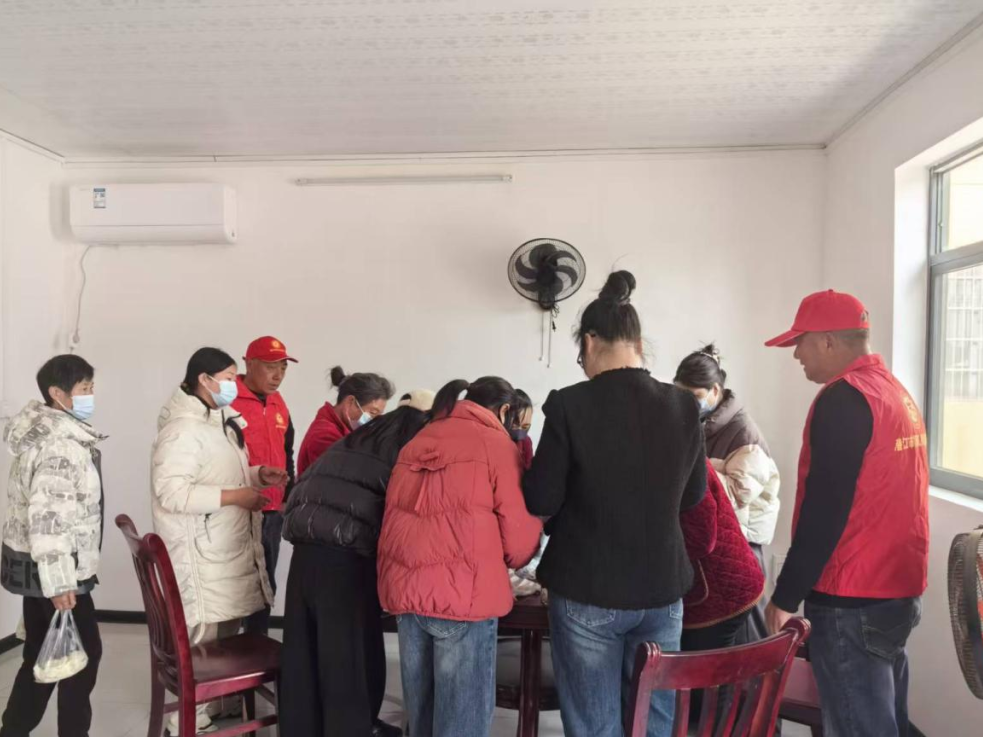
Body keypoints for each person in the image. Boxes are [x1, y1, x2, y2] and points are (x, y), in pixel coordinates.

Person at [523, 271, 707, 737]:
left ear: (589, 342)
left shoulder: (569, 404)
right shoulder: (683, 405)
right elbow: (693, 496)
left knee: (593, 723)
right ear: (638, 343)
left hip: (588, 586)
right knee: (654, 720)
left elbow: (541, 497)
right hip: (663, 589)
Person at [764, 290, 929, 737]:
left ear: (828, 341)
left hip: (852, 597)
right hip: (897, 589)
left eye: (800, 342)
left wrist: (784, 597)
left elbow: (825, 511)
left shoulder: (844, 400)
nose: (796, 355)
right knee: (885, 721)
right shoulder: (894, 393)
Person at [377, 377, 542, 737]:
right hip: (462, 599)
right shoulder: (496, 444)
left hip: (406, 596)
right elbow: (518, 541)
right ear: (504, 410)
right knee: (461, 722)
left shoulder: (419, 438)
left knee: (421, 717)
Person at [151, 347, 287, 735]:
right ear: (204, 380)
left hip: (221, 548)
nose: (233, 385)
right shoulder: (182, 430)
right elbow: (172, 492)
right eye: (228, 378)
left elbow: (216, 472)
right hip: (201, 554)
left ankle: (215, 705)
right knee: (204, 640)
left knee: (225, 634)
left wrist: (257, 475)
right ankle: (186, 720)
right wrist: (236, 497)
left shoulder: (216, 420)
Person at [281, 392, 434, 737]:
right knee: (349, 656)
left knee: (303, 652)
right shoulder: (412, 447)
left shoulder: (363, 435)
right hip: (346, 558)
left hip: (304, 551)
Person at [0, 355, 105, 737]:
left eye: (91, 387)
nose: (91, 395)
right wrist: (60, 583)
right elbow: (49, 519)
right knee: (82, 657)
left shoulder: (49, 434)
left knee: (40, 654)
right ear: (57, 393)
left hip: (39, 567)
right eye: (84, 388)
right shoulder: (59, 445)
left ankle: (13, 729)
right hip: (57, 570)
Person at [674, 344, 780, 643]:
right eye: (680, 395)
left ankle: (757, 675)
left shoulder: (743, 431)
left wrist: (698, 468)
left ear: (715, 390)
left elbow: (737, 494)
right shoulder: (701, 424)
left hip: (742, 543)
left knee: (745, 631)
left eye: (694, 396)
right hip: (715, 542)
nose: (686, 403)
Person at [678, 460, 765, 722]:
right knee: (714, 684)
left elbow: (701, 536)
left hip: (719, 589)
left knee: (708, 691)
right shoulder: (684, 449)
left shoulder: (683, 453)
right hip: (730, 580)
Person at [232, 336, 298, 636]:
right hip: (237, 509)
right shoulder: (229, 401)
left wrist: (287, 498)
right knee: (235, 584)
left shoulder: (278, 402)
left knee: (265, 584)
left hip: (271, 512)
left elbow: (288, 450)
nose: (278, 375)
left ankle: (255, 644)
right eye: (271, 367)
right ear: (248, 364)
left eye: (283, 368)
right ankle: (227, 648)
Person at [297, 366, 394, 476]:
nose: (375, 421)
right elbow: (349, 475)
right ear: (350, 402)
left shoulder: (347, 432)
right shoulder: (325, 436)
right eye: (372, 412)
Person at [511, 388, 534, 470]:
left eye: (525, 427)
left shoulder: (526, 442)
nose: (520, 431)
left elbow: (529, 469)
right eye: (515, 426)